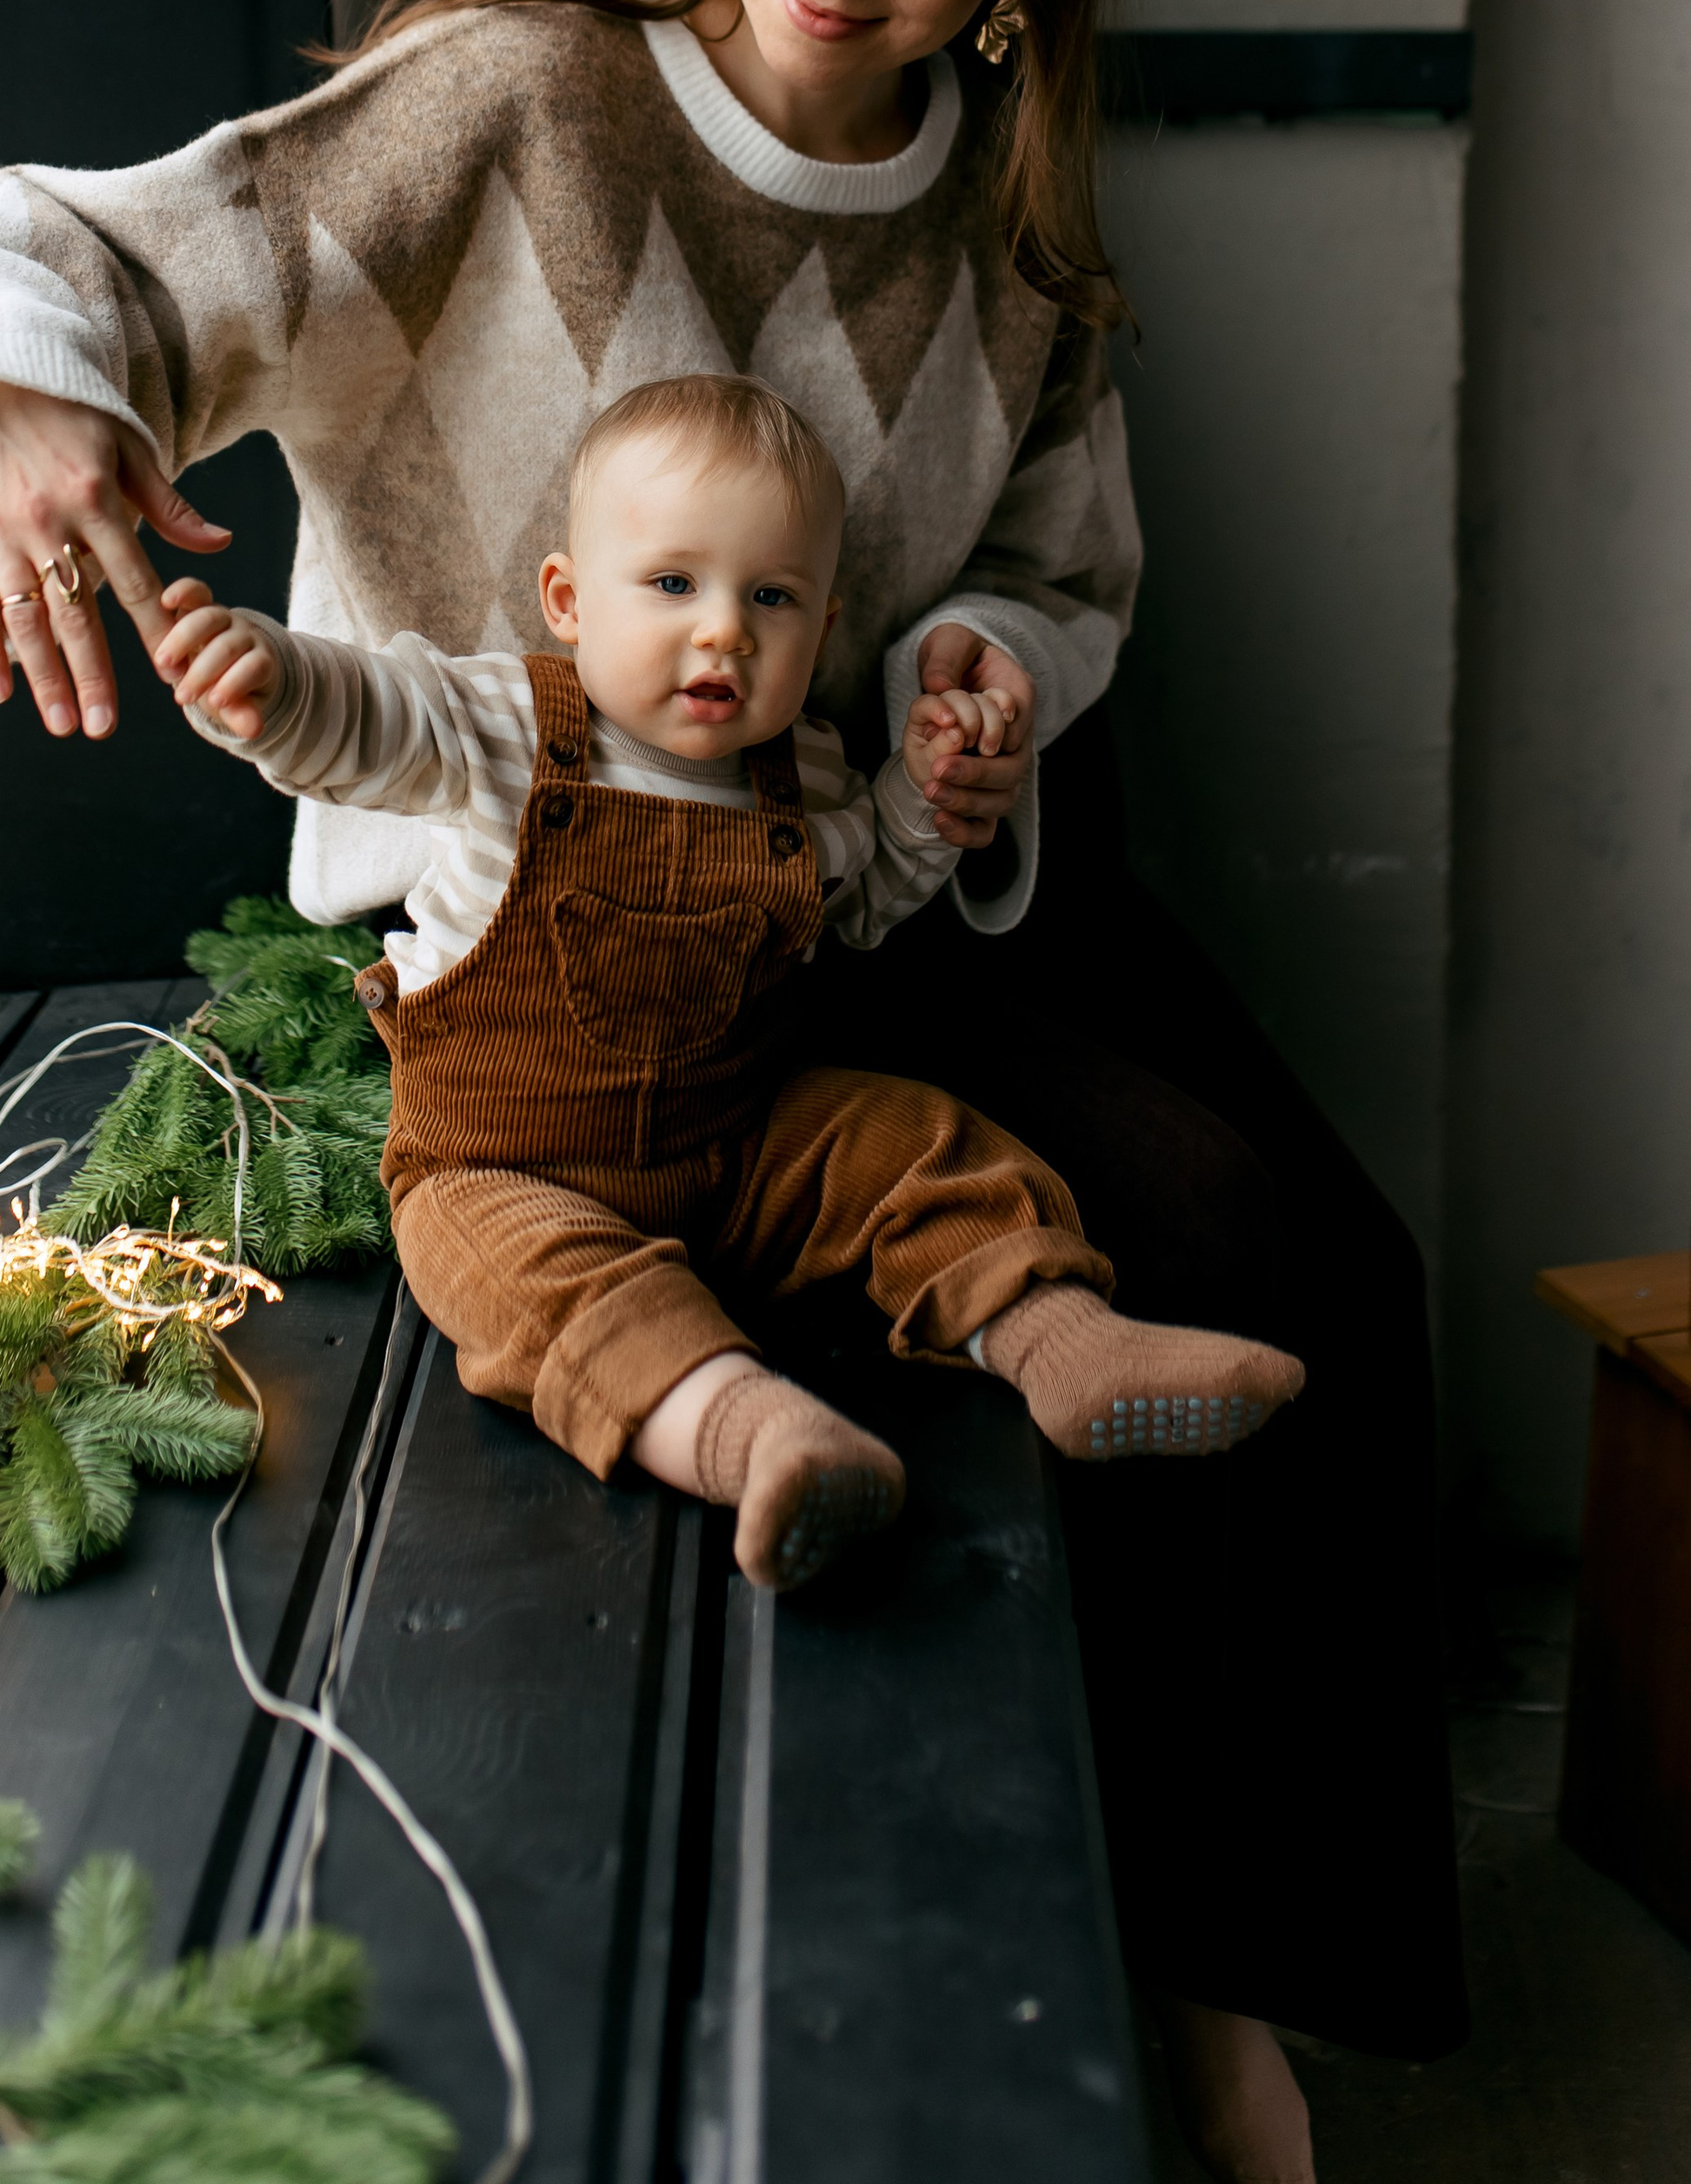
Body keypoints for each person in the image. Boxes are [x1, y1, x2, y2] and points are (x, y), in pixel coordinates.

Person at [0, 0, 1465, 2184]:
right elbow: (73, 248)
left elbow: (1074, 576)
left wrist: (983, 666)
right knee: (1175, 1207)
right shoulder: (517, 103)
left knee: (1337, 1263)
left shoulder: (1011, 225)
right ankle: (1186, 2000)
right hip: (529, 917)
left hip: (849, 879)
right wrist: (15, 427)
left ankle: (1233, 1984)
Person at [156, 369, 1302, 1588]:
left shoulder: (796, 776)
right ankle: (758, 1434)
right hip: (507, 1163)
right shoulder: (505, 722)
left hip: (742, 1142)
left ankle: (1066, 1344)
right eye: (672, 585)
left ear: (823, 620)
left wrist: (924, 798)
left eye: (772, 596)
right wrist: (273, 687)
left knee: (914, 1142)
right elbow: (375, 717)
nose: (725, 631)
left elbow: (857, 901)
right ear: (569, 600)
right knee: (533, 1290)